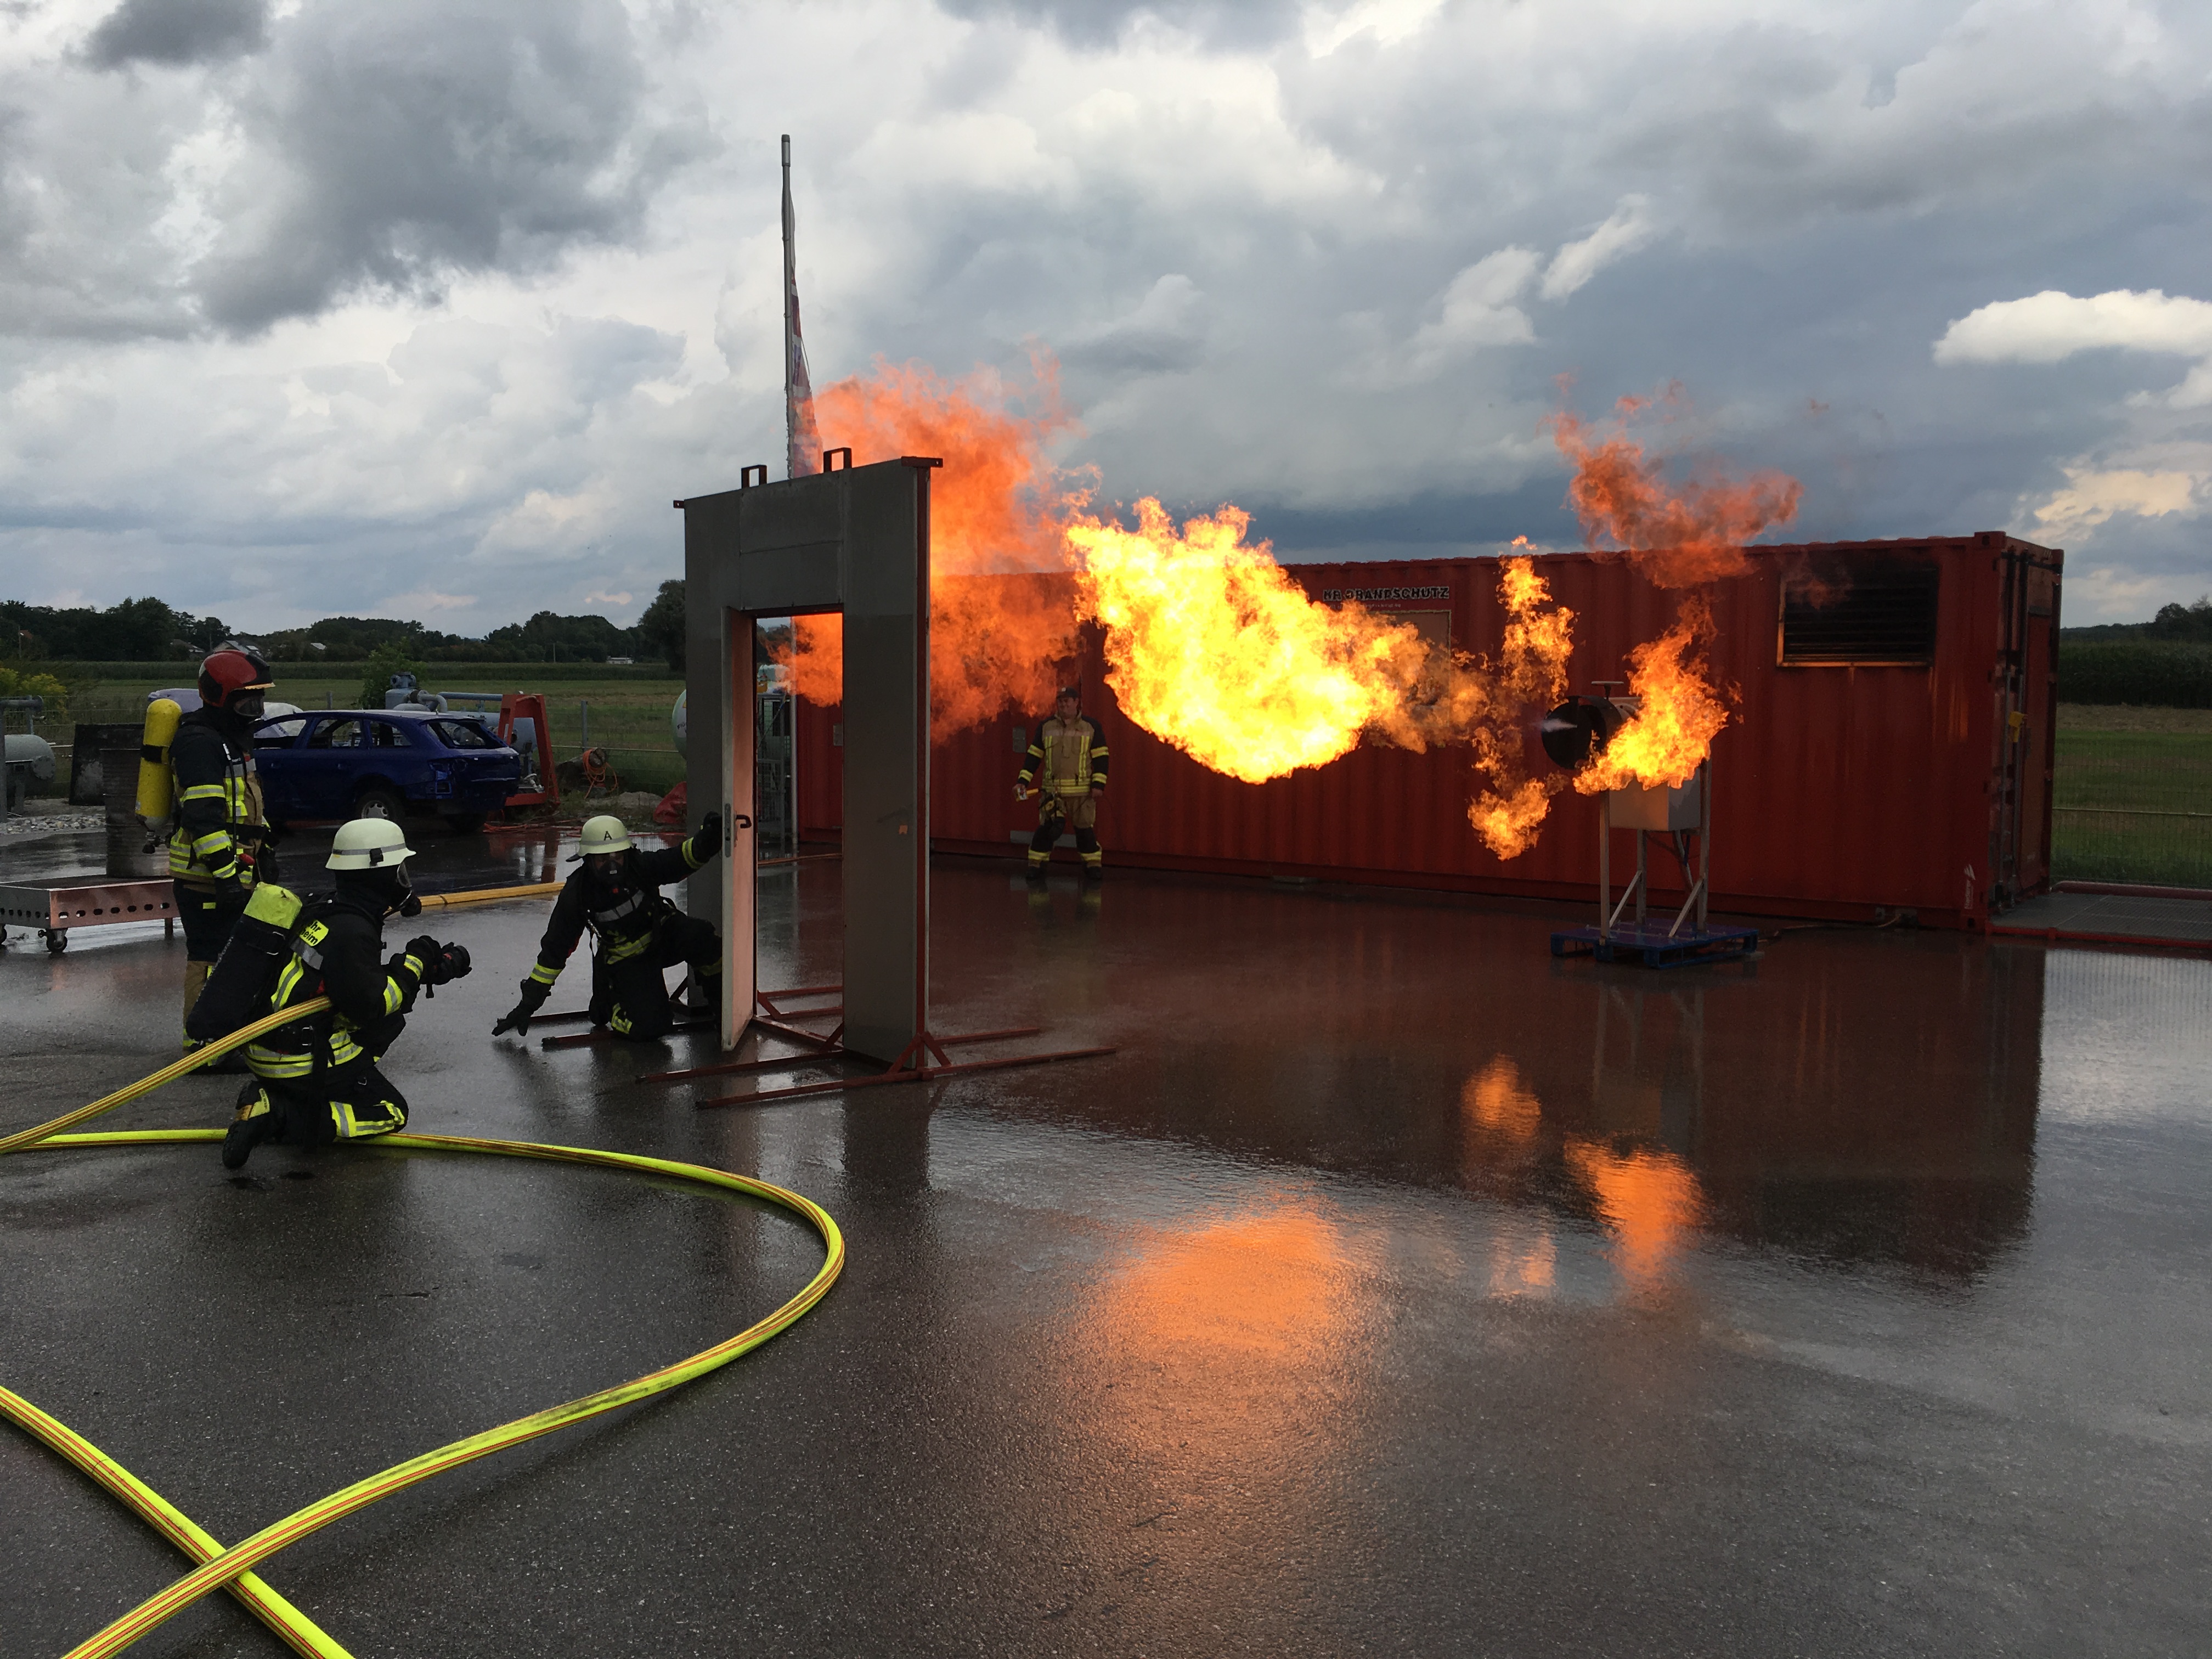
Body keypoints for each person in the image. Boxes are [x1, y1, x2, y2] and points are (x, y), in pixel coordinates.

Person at [223, 818, 470, 1170]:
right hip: (294, 1060)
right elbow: (374, 1004)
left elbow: (349, 981)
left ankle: (282, 1097)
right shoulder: (352, 931)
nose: (403, 879)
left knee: (388, 1024)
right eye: (398, 870)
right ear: (379, 873)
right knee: (389, 1111)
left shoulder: (326, 909)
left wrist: (415, 971)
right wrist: (416, 962)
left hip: (268, 1045)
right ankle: (279, 1114)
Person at [494, 812, 723, 1042]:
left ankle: (721, 1004)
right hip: (628, 961)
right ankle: (611, 1003)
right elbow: (555, 950)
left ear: (626, 854)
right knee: (652, 1027)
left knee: (702, 937)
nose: (612, 865)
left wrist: (709, 838)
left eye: (617, 857)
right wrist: (528, 1004)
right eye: (603, 859)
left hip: (660, 940)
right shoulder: (578, 893)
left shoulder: (639, 865)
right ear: (588, 859)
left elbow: (680, 860)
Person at [172, 645, 276, 1063]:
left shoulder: (232, 741)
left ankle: (229, 1036)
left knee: (235, 959)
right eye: (247, 700)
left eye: (259, 699)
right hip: (206, 876)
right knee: (209, 957)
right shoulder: (199, 743)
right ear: (220, 697)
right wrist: (225, 874)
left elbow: (248, 807)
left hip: (237, 870)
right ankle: (203, 1045)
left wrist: (266, 850)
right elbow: (203, 818)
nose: (255, 709)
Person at [1018, 685, 1109, 879]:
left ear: (1077, 702)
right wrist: (1022, 781)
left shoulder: (1091, 727)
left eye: (1067, 700)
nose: (1063, 704)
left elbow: (1101, 758)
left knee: (1085, 832)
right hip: (1052, 793)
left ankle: (1093, 867)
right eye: (1060, 701)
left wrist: (1098, 785)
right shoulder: (1046, 727)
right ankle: (1036, 866)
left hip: (1082, 794)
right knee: (1046, 831)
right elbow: (1034, 757)